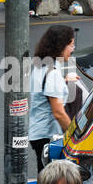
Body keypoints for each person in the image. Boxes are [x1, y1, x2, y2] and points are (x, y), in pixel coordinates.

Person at [28, 25, 74, 172]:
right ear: (61, 46)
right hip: (47, 135)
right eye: (71, 45)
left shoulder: (41, 64)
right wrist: (74, 136)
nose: (72, 49)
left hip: (37, 131)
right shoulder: (53, 73)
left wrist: (64, 81)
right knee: (52, 182)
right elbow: (58, 112)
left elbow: (46, 89)